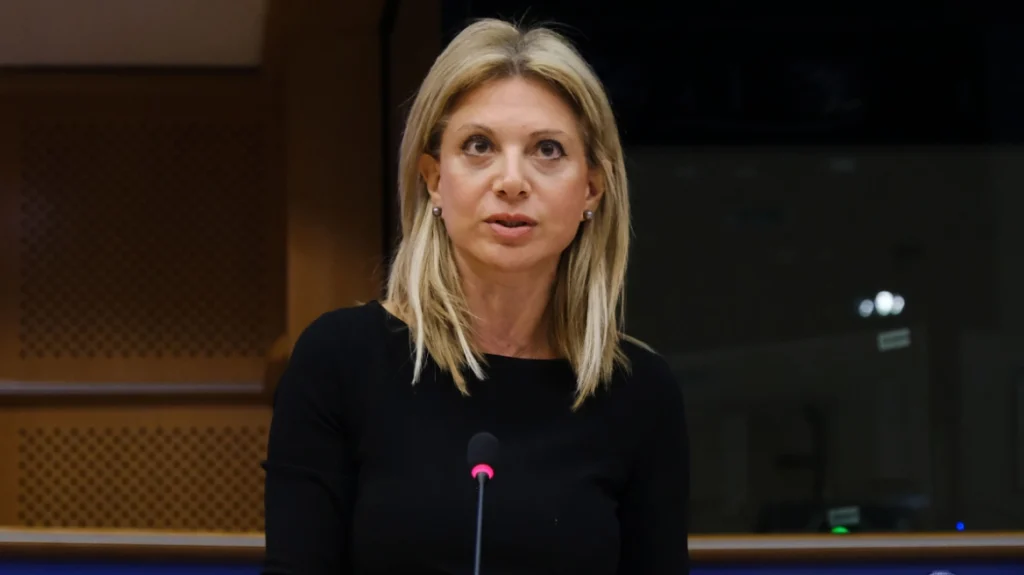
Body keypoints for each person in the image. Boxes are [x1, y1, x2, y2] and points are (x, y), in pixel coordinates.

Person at [262, 17, 690, 575]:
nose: (511, 181)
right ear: (434, 179)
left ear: (591, 188)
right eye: (479, 146)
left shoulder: (640, 393)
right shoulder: (339, 361)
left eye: (547, 150)